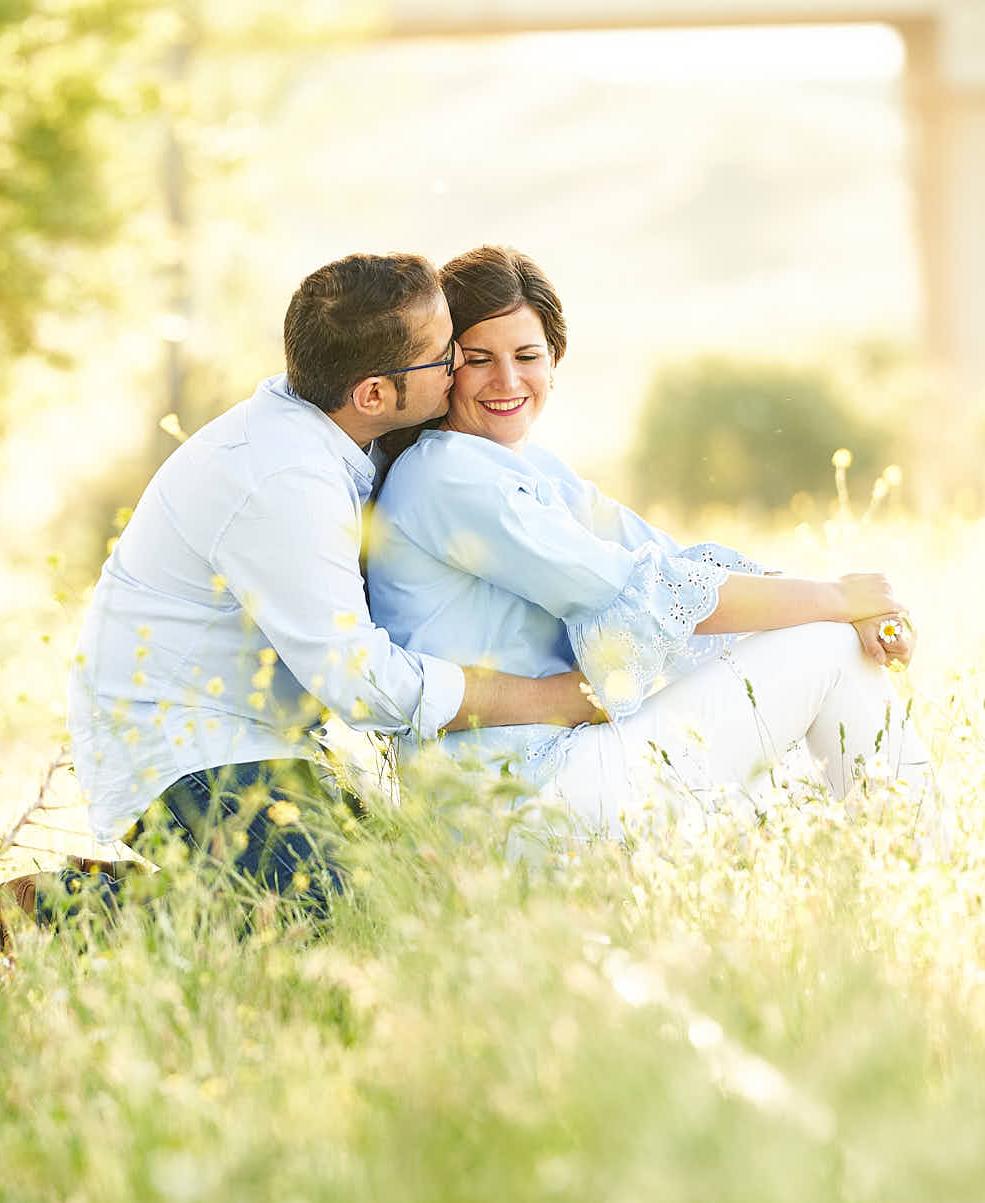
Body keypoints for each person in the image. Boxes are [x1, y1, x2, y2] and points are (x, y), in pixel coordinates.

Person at [0, 252, 603, 952]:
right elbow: (363, 684)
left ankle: (197, 887)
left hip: (271, 739)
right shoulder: (286, 481)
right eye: (446, 358)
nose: (461, 370)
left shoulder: (343, 430)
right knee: (344, 916)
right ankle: (72, 908)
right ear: (373, 392)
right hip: (185, 746)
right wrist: (555, 698)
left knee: (427, 892)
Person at [366, 245, 936, 841]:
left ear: (554, 362)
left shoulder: (527, 468)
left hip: (567, 765)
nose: (507, 380)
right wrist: (839, 601)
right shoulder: (448, 475)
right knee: (825, 650)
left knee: (822, 643)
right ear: (442, 367)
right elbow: (639, 592)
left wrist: (852, 609)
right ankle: (923, 867)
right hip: (515, 798)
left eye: (527, 355)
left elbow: (670, 566)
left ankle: (891, 865)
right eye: (478, 360)